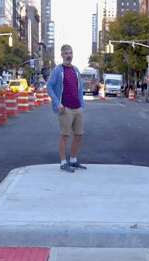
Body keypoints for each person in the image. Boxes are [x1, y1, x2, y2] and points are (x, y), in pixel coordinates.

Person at [46, 44, 86, 173]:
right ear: (62, 55)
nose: (69, 56)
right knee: (64, 135)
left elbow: (79, 88)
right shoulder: (58, 70)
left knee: (79, 135)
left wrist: (81, 104)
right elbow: (49, 87)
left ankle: (73, 160)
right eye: (66, 53)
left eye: (70, 53)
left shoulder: (75, 70)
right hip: (65, 108)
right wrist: (57, 103)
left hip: (77, 107)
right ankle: (63, 162)